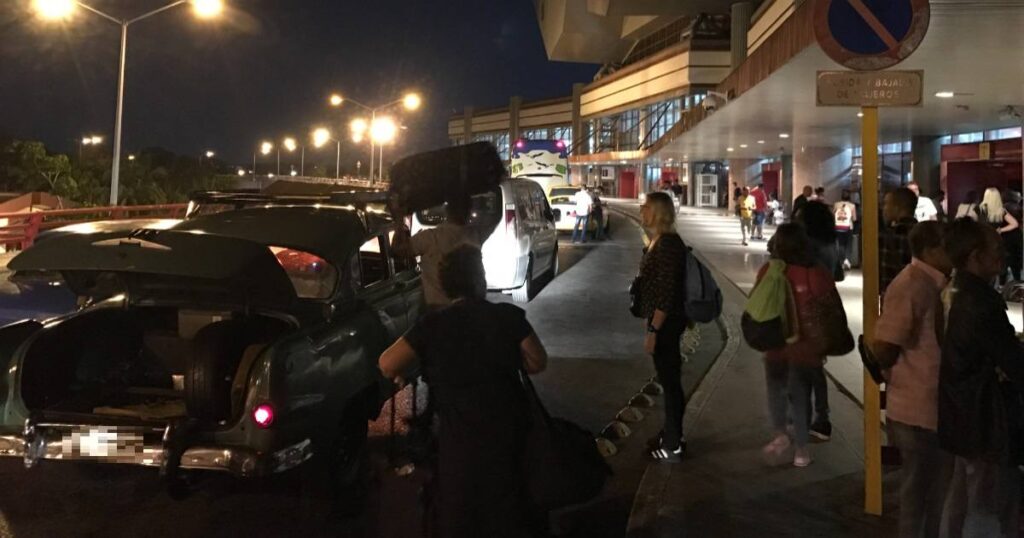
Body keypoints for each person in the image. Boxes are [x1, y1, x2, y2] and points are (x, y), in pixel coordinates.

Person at [378, 245, 549, 538]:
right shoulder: (507, 316)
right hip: (508, 434)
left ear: (446, 285)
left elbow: (386, 363)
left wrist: (416, 368)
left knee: (459, 514)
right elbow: (537, 361)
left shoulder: (432, 325)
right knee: (508, 510)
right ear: (479, 280)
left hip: (459, 443)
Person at [939, 218, 1024, 538]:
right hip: (985, 418)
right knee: (986, 504)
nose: (1002, 254)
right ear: (975, 256)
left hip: (961, 411)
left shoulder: (952, 290)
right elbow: (1014, 363)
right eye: (996, 249)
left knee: (962, 495)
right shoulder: (980, 302)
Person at [869, 221, 953, 538]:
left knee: (932, 489)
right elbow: (886, 347)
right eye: (948, 245)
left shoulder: (933, 283)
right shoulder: (913, 285)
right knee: (921, 490)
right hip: (917, 406)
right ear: (931, 250)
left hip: (927, 405)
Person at [758, 223, 840, 467]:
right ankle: (802, 451)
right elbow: (831, 307)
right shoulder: (816, 272)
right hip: (806, 347)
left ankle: (780, 434)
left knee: (776, 390)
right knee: (801, 396)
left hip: (775, 344)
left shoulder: (768, 271)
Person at [636, 192, 690, 462]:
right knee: (669, 380)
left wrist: (653, 332)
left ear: (657, 211)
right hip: (663, 320)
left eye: (645, 207)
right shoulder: (660, 240)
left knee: (670, 382)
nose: (641, 210)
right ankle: (673, 433)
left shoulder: (668, 245)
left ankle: (673, 445)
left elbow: (667, 295)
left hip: (666, 323)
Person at [795, 201, 840, 441]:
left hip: (807, 311)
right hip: (823, 311)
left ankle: (820, 419)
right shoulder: (831, 245)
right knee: (812, 367)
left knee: (808, 369)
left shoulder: (810, 247)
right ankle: (815, 417)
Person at [392, 194, 480, 309]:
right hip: (467, 311)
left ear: (447, 211)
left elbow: (397, 251)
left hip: (437, 310)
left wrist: (399, 220)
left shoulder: (431, 238)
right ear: (469, 211)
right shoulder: (474, 236)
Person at [977, 187, 1020, 285]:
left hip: (983, 240)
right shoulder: (1000, 210)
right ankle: (1001, 286)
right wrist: (1000, 230)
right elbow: (1015, 224)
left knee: (984, 265)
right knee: (999, 264)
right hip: (997, 240)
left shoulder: (979, 209)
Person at [880, 187, 919, 294]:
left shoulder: (889, 235)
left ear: (898, 208)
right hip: (918, 295)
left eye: (886, 204)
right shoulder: (923, 233)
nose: (884, 208)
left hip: (892, 295)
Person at [833, 190, 857, 270]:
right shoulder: (852, 206)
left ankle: (841, 261)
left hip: (838, 226)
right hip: (848, 227)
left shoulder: (836, 204)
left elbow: (833, 215)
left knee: (840, 244)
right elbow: (854, 218)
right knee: (848, 245)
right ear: (849, 197)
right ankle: (847, 260)